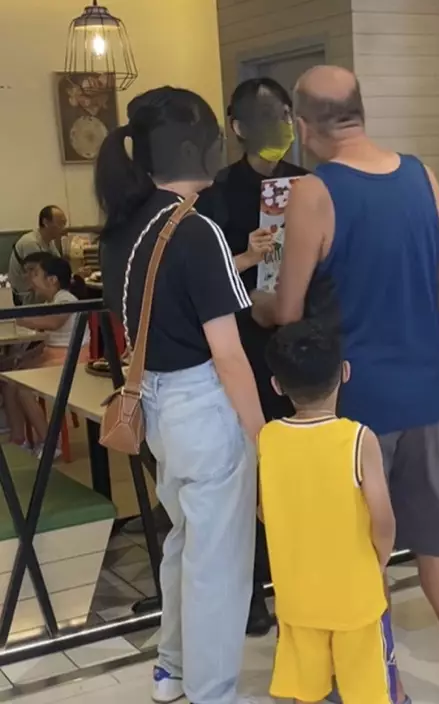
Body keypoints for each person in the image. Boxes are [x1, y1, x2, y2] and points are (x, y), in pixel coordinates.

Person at [251, 65, 439, 703]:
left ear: (302, 125)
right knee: (435, 536)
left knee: (363, 546)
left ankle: (377, 680)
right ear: (358, 110)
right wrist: (411, 330)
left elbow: (288, 309)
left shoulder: (314, 192)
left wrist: (258, 301)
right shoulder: (421, 175)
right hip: (421, 387)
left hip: (354, 399)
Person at [96, 86, 265, 704]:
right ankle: (211, 690)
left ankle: (171, 670)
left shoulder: (123, 227)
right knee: (217, 560)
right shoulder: (196, 230)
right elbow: (228, 354)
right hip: (204, 407)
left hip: (157, 406)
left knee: (184, 542)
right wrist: (262, 435)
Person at [197, 77, 308, 637]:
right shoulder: (216, 195)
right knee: (250, 468)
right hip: (242, 349)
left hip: (302, 344)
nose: (278, 127)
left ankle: (298, 578)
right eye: (265, 117)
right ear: (238, 127)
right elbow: (203, 281)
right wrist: (245, 258)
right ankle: (253, 586)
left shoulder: (309, 184)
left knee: (301, 466)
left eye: (284, 114)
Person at [260, 319, 401, 704]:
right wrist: (379, 560)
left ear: (277, 385)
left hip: (296, 598)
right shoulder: (357, 438)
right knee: (367, 692)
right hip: (355, 597)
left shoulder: (268, 439)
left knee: (306, 693)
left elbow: (264, 510)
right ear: (345, 371)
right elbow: (383, 517)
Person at [3, 252, 89, 456]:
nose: (31, 279)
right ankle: (19, 437)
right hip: (55, 356)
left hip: (72, 360)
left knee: (24, 389)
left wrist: (16, 318)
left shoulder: (66, 298)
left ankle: (51, 443)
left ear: (52, 280)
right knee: (9, 381)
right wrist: (26, 356)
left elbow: (53, 323)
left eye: (35, 274)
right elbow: (49, 341)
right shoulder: (52, 300)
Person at [9, 206, 67, 304]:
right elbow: (39, 276)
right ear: (45, 222)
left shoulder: (49, 242)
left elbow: (59, 265)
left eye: (64, 223)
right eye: (60, 223)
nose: (63, 228)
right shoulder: (30, 243)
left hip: (41, 292)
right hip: (28, 298)